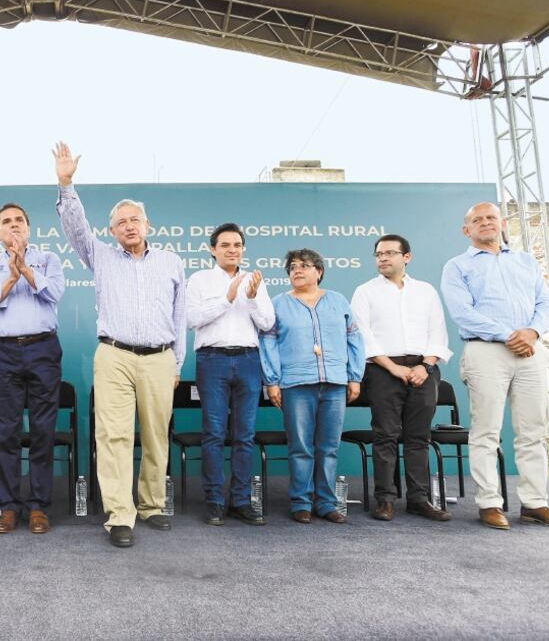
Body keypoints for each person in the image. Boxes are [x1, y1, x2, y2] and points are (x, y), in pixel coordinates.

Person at [54, 141, 186, 548]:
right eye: (121, 222)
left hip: (160, 359)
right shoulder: (101, 257)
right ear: (112, 232)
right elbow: (76, 228)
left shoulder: (171, 261)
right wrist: (65, 184)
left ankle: (150, 504)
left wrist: (176, 363)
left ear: (148, 225)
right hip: (113, 355)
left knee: (155, 434)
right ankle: (119, 514)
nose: (129, 226)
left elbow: (180, 316)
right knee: (112, 435)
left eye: (135, 220)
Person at [440, 202, 549, 530]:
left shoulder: (526, 262)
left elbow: (547, 302)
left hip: (531, 351)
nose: (485, 223)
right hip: (486, 351)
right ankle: (489, 503)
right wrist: (509, 335)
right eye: (477, 220)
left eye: (490, 218)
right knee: (486, 430)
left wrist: (531, 332)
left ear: (501, 224)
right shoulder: (457, 266)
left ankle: (535, 503)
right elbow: (462, 312)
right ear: (466, 230)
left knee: (533, 430)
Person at [0, 203, 65, 534]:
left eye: (19, 221)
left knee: (43, 429)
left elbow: (55, 292)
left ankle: (39, 506)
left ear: (29, 228)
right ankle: (10, 506)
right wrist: (10, 279)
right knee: (8, 430)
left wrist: (25, 269)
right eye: (6, 222)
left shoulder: (49, 259)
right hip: (6, 351)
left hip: (43, 348)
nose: (13, 226)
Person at [350, 234, 452, 522]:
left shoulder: (426, 291)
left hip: (424, 369)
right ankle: (385, 499)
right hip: (383, 369)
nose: (382, 258)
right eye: (378, 254)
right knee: (386, 436)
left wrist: (426, 365)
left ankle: (419, 499)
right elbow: (363, 336)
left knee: (418, 437)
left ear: (406, 257)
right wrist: (392, 368)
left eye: (390, 253)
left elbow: (438, 333)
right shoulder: (365, 291)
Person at [260, 248, 365, 524]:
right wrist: (272, 381)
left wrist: (354, 376)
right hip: (295, 384)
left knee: (329, 447)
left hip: (334, 383)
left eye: (304, 266)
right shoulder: (278, 303)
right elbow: (268, 343)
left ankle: (327, 503)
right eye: (293, 266)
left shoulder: (338, 301)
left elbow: (354, 339)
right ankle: (301, 502)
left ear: (318, 271)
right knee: (300, 446)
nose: (297, 270)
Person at [185, 223, 275, 526]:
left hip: (249, 359)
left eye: (237, 245)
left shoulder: (255, 280)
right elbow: (191, 318)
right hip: (213, 360)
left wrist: (249, 297)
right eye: (225, 245)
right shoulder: (199, 280)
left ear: (243, 249)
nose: (232, 250)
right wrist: (227, 298)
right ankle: (214, 501)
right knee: (213, 433)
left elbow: (267, 323)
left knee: (244, 435)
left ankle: (240, 500)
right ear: (213, 249)